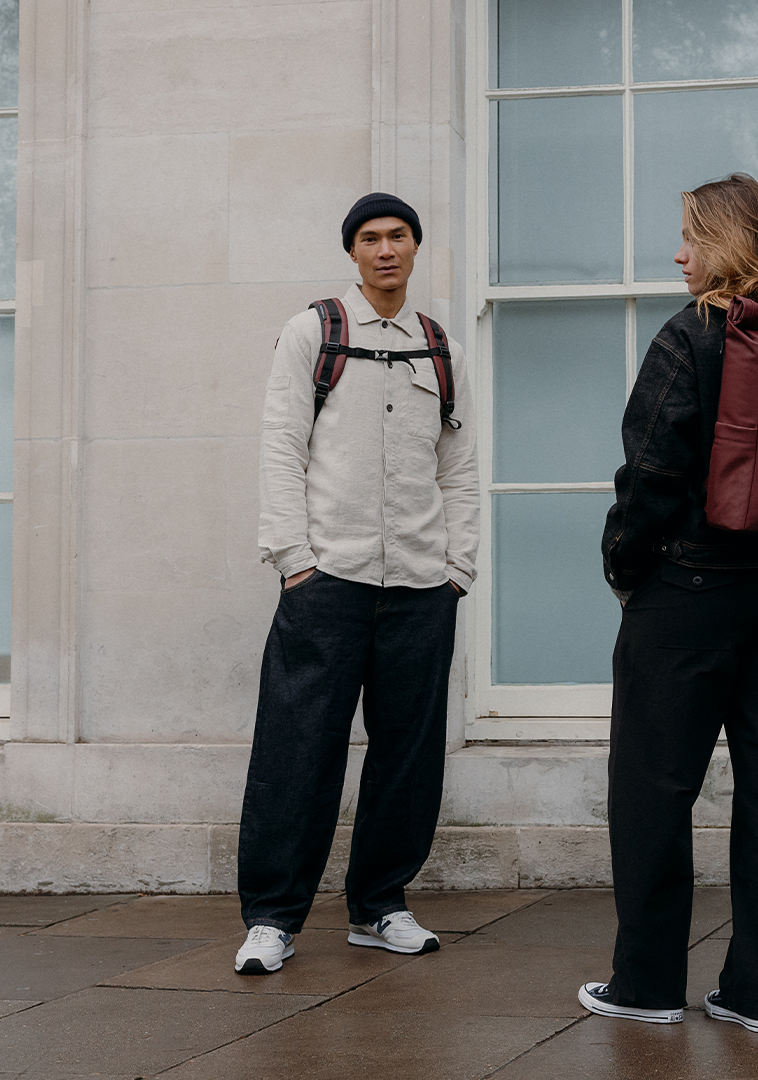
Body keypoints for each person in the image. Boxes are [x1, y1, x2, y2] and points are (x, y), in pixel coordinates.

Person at [580, 174, 758, 1033]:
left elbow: (651, 474)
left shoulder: (697, 332)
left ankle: (647, 986)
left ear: (730, 244)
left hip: (686, 599)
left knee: (654, 788)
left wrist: (626, 570)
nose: (679, 253)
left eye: (690, 236)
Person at [235, 192, 478, 975]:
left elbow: (461, 469)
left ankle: (380, 906)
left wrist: (457, 569)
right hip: (327, 581)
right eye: (370, 239)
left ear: (415, 248)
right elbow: (280, 447)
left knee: (408, 756)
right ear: (352, 252)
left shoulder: (439, 347)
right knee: (298, 750)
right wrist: (293, 561)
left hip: (419, 583)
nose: (385, 250)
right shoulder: (315, 332)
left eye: (398, 237)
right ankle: (273, 918)